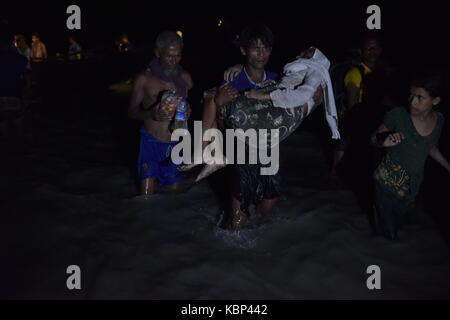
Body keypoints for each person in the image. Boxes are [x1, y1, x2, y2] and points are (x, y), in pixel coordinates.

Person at [371, 69, 450, 240]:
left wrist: (448, 166)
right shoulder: (397, 115)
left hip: (411, 189)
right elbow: (373, 139)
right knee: (389, 237)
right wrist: (382, 141)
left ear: (435, 101)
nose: (412, 102)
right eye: (411, 95)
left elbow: (429, 147)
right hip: (385, 184)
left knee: (404, 225)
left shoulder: (440, 121)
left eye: (420, 98)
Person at [128, 31, 193, 195]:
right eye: (169, 56)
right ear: (157, 53)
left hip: (175, 144)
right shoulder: (143, 79)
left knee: (172, 202)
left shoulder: (185, 79)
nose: (174, 61)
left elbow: (186, 108)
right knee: (146, 199)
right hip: (150, 142)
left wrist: (187, 112)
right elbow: (131, 111)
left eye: (178, 56)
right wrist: (151, 114)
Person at [0, 31, 29, 138]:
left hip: (1, 98)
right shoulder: (21, 59)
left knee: (4, 136)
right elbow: (28, 81)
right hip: (15, 96)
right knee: (19, 135)